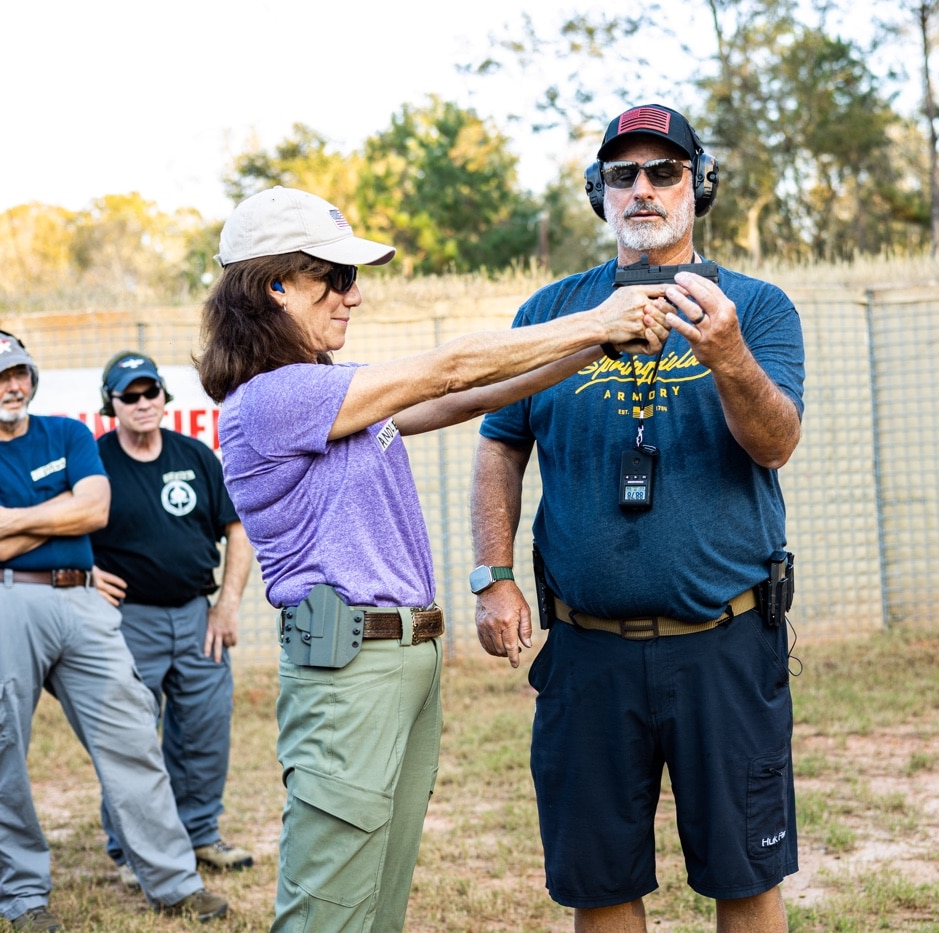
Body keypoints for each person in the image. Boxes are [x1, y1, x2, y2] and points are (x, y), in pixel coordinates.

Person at [194, 185, 671, 933]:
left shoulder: (332, 393)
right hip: (351, 669)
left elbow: (465, 395)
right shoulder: (275, 398)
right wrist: (598, 318)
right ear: (274, 285)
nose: (355, 296)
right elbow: (448, 369)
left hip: (399, 660)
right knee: (327, 911)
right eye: (336, 278)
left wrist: (594, 348)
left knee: (376, 905)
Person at [470, 104, 805, 932]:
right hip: (587, 648)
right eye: (623, 175)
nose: (643, 190)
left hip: (723, 642)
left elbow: (775, 444)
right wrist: (495, 576)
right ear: (600, 193)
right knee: (601, 880)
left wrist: (726, 355)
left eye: (664, 172)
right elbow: (500, 444)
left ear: (700, 185)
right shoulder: (553, 310)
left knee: (745, 873)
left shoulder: (756, 309)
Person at [0, 329, 229, 931]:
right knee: (2, 755)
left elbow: (93, 511)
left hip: (82, 601)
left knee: (132, 738)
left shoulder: (66, 434)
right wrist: (56, 518)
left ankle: (173, 883)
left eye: (20, 373)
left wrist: (14, 522)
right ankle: (24, 899)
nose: (12, 386)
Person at [89, 350, 255, 889]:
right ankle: (128, 848)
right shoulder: (94, 462)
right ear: (111, 405)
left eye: (150, 392)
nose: (142, 403)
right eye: (129, 396)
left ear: (164, 397)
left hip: (196, 617)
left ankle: (200, 832)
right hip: (126, 622)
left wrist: (226, 606)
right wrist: (87, 573)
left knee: (205, 730)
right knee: (131, 737)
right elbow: (64, 530)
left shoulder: (196, 456)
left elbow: (237, 530)